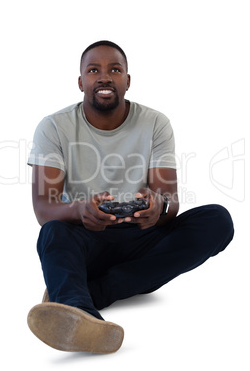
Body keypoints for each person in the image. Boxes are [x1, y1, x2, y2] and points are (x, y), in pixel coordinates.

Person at [27, 40, 234, 354]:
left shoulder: (155, 123)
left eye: (115, 69)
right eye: (94, 70)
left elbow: (170, 201)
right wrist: (81, 209)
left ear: (127, 80)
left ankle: (85, 297)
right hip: (88, 236)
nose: (105, 77)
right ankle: (78, 308)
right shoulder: (54, 127)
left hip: (141, 235)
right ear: (81, 82)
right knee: (53, 232)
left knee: (217, 220)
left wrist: (158, 207)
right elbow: (44, 208)